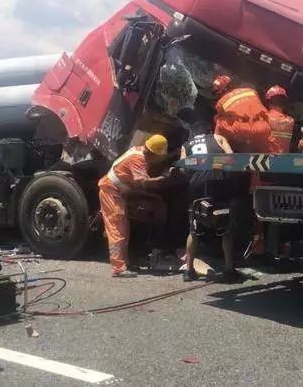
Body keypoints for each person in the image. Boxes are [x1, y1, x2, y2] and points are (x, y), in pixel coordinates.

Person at [98, 134, 179, 277]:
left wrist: (174, 154)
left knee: (124, 228)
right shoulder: (138, 159)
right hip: (111, 191)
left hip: (118, 191)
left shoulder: (140, 150)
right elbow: (143, 183)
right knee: (118, 229)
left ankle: (126, 261)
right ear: (152, 152)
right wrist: (165, 178)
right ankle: (118, 268)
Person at [180, 118, 245, 283]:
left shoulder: (186, 145)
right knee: (226, 227)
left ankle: (189, 270)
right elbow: (232, 159)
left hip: (196, 185)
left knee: (194, 228)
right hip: (217, 182)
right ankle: (229, 268)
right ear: (209, 130)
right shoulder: (218, 137)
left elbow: (182, 169)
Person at [212, 75, 274, 153]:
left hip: (244, 131)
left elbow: (222, 120)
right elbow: (263, 112)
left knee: (218, 120)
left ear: (222, 90)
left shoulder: (220, 102)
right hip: (263, 128)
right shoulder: (251, 91)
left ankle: (229, 155)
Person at [265, 85, 294, 154]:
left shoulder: (265, 118)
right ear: (284, 103)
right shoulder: (291, 121)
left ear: (268, 101)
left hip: (268, 160)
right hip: (285, 159)